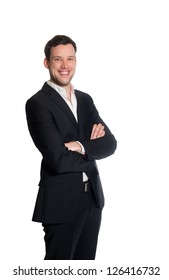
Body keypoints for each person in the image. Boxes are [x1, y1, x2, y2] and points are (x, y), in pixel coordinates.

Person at [25, 35, 117, 260]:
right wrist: (91, 149)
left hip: (93, 200)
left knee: (85, 269)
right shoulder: (38, 103)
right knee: (59, 270)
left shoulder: (85, 100)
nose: (65, 66)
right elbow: (57, 158)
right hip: (61, 202)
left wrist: (78, 145)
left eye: (70, 59)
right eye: (58, 60)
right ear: (47, 63)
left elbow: (110, 144)